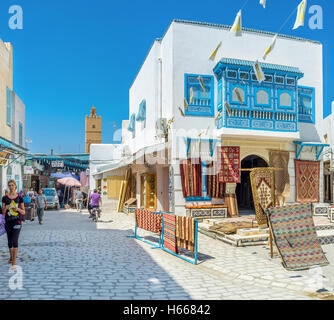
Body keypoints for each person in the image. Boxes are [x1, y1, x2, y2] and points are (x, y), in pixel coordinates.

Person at [2, 180, 25, 269]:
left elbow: (23, 211)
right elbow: (3, 211)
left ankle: (14, 262)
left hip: (17, 221)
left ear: (15, 186)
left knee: (15, 241)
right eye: (9, 185)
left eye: (12, 185)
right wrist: (6, 207)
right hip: (8, 221)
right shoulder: (5, 198)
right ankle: (11, 257)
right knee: (9, 242)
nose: (11, 187)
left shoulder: (19, 198)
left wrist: (18, 209)